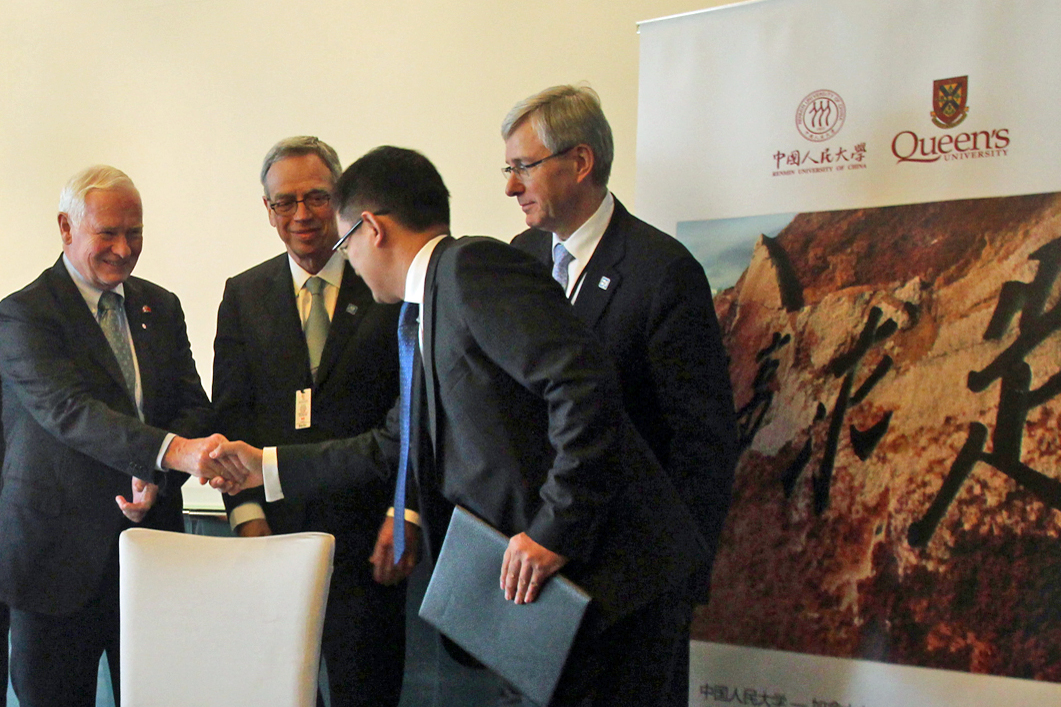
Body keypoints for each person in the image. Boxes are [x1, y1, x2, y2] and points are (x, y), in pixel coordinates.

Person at [212, 146, 710, 706]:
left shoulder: (473, 269)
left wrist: (555, 530)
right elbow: (394, 441)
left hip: (608, 585)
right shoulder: (425, 306)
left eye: (344, 242)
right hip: (546, 597)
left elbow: (582, 387)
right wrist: (265, 467)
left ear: (371, 229)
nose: (346, 260)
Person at [503, 85, 739, 703]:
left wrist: (674, 585)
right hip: (534, 573)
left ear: (579, 163)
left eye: (522, 167)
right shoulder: (518, 260)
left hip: (633, 591)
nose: (510, 186)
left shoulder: (663, 271)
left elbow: (702, 442)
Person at [0, 165, 228, 707]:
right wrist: (167, 453)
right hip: (53, 567)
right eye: (108, 233)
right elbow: (70, 411)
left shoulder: (160, 306)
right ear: (66, 227)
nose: (124, 249)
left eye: (136, 232)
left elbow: (192, 406)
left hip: (152, 556)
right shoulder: (22, 315)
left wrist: (158, 475)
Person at [212, 136, 405, 707]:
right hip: (272, 540)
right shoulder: (243, 295)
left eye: (317, 197)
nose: (301, 215)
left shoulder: (388, 288)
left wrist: (404, 510)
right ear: (268, 211)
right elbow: (230, 416)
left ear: (341, 199)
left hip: (370, 545)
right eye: (284, 201)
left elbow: (414, 413)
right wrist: (246, 518)